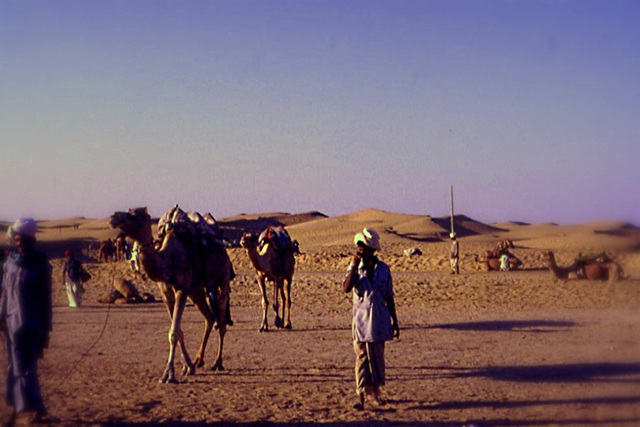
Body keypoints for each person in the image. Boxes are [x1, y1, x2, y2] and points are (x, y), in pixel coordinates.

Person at [0, 218, 52, 425]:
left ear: (32, 239)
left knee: (26, 368)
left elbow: (45, 299)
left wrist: (46, 330)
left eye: (24, 239)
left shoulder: (41, 266)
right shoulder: (10, 263)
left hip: (32, 323)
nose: (20, 243)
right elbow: (5, 292)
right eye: (17, 239)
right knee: (13, 367)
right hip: (10, 323)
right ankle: (18, 409)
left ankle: (33, 409)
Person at [343, 227, 399, 410]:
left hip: (379, 321)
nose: (359, 250)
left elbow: (389, 296)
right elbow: (346, 287)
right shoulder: (355, 269)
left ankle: (375, 394)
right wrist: (353, 265)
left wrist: (395, 321)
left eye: (363, 247)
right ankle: (360, 396)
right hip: (360, 321)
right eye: (358, 247)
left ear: (371, 250)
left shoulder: (383, 269)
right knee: (361, 359)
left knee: (376, 359)